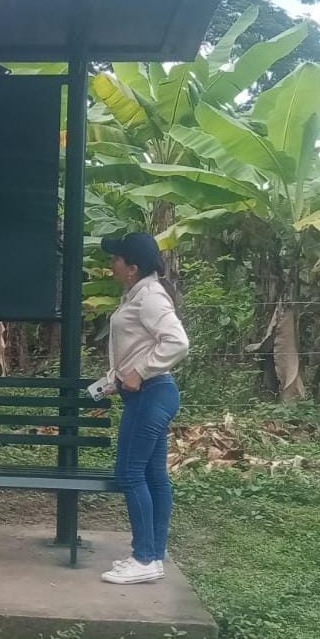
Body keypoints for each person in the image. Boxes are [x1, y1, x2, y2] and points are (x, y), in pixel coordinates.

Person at [98, 232, 189, 585]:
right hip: (146, 394)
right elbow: (136, 344)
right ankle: (152, 555)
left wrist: (139, 372)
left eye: (116, 259)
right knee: (152, 475)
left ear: (132, 267)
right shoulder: (137, 293)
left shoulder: (150, 296)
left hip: (153, 393)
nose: (112, 264)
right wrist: (116, 378)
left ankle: (144, 558)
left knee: (129, 473)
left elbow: (177, 342)